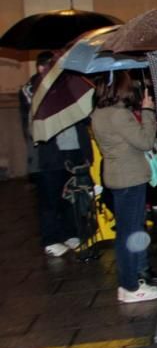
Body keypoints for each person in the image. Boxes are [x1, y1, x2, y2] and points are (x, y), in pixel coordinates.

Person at [91, 72, 157, 303]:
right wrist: (148, 111)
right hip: (130, 179)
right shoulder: (119, 115)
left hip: (118, 176)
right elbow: (145, 141)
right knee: (129, 234)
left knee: (130, 230)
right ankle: (130, 286)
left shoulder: (99, 113)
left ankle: (137, 275)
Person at [20, 51, 91, 258]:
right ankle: (51, 239)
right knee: (49, 198)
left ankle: (72, 232)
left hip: (73, 149)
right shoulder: (30, 89)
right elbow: (33, 112)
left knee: (71, 195)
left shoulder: (67, 86)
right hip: (47, 154)